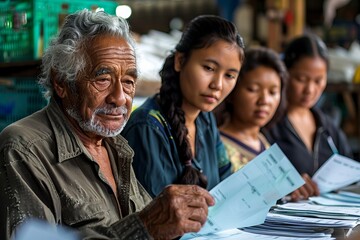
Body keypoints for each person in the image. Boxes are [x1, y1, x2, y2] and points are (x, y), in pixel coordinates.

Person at [0, 9, 216, 240]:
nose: (120, 97)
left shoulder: (115, 146)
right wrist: (144, 227)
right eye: (102, 80)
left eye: (128, 82)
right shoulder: (23, 148)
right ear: (61, 82)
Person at [121, 15, 245, 197]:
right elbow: (153, 216)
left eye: (229, 76)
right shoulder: (147, 127)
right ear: (180, 61)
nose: (217, 85)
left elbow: (225, 186)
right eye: (209, 68)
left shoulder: (205, 119)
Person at [265, 34, 353, 200]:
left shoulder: (327, 127)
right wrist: (284, 187)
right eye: (301, 79)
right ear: (285, 73)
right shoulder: (269, 124)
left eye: (318, 80)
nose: (310, 90)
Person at [214, 46, 287, 172]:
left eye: (273, 92)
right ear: (232, 91)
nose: (264, 100)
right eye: (253, 89)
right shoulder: (217, 146)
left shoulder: (263, 142)